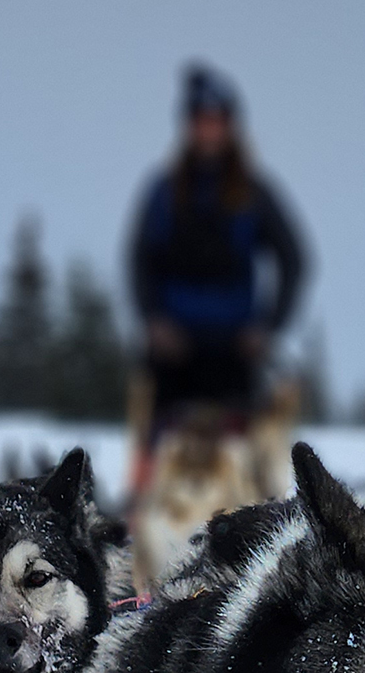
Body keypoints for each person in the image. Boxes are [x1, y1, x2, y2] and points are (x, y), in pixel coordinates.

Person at [124, 62, 305, 445]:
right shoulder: (164, 191)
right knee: (158, 453)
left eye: (216, 121)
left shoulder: (254, 192)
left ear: (230, 127)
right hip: (174, 354)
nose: (208, 130)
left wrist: (268, 326)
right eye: (201, 120)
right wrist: (153, 320)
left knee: (239, 466)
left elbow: (294, 258)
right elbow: (139, 259)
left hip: (233, 354)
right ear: (188, 127)